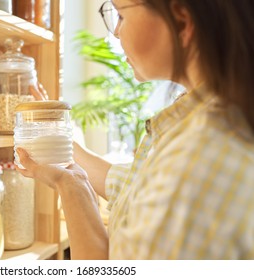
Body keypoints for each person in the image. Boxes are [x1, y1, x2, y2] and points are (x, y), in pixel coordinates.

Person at [16, 0, 254, 259]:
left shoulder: (198, 158)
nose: (116, 31)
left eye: (120, 14)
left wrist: (71, 186)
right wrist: (60, 140)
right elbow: (132, 186)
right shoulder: (209, 119)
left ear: (182, 22)